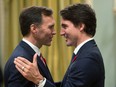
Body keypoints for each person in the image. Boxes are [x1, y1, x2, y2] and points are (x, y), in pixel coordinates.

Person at [14, 3, 105, 87]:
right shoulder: (85, 52)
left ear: (81, 26)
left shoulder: (87, 58)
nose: (61, 33)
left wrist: (39, 80)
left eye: (65, 27)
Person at [4, 6, 57, 87]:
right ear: (34, 28)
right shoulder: (21, 60)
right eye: (50, 27)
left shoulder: (30, 53)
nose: (54, 32)